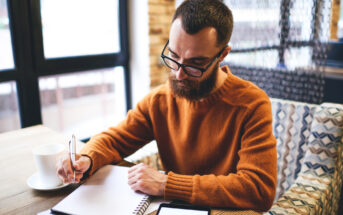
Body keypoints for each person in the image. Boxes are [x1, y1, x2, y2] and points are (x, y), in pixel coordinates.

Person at [56, 0, 277, 211]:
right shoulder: (159, 100)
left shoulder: (252, 104)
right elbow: (115, 139)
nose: (179, 73)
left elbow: (259, 189)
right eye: (173, 55)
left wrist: (166, 184)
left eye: (196, 63)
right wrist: (87, 157)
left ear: (222, 55)